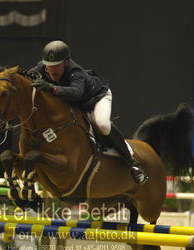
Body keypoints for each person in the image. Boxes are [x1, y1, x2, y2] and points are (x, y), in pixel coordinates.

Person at [30, 40, 148, 185]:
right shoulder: (43, 67)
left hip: (96, 98)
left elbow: (76, 93)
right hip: (76, 104)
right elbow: (28, 76)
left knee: (102, 125)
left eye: (57, 65)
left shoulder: (76, 72)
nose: (52, 70)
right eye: (49, 66)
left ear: (66, 63)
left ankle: (133, 163)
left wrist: (51, 88)